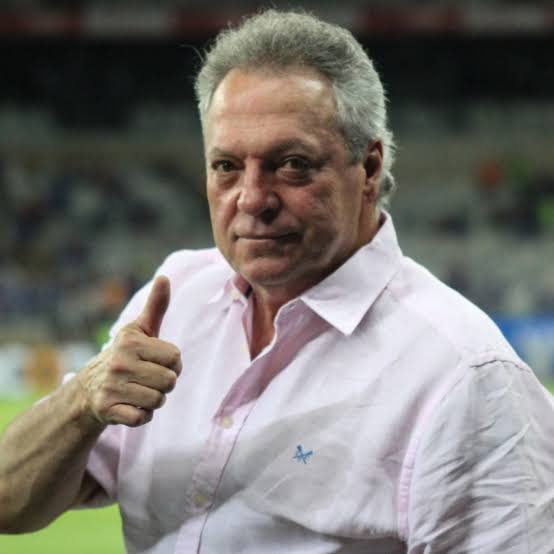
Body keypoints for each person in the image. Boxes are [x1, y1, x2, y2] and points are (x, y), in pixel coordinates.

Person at [1, 9, 553, 553]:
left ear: (368, 168)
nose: (252, 199)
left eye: (291, 164)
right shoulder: (175, 298)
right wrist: (82, 400)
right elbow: (9, 503)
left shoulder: (465, 375)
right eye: (226, 166)